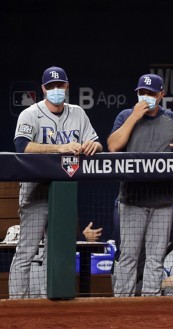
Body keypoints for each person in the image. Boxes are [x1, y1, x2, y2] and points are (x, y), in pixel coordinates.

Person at [10, 66, 102, 299]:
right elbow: (22, 147)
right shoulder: (30, 114)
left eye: (60, 85)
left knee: (58, 251)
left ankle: (53, 303)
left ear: (67, 86)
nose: (56, 90)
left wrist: (94, 146)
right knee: (27, 251)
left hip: (64, 193)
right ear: (43, 89)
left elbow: (97, 142)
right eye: (51, 86)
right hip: (36, 191)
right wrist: (58, 148)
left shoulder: (78, 113)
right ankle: (17, 304)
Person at [108, 73, 173, 297]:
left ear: (161, 95)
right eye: (142, 92)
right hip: (132, 199)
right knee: (129, 256)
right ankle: (122, 302)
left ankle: (150, 303)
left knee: (155, 257)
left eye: (151, 93)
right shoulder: (125, 116)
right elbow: (113, 146)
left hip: (162, 200)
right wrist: (134, 117)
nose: (146, 97)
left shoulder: (171, 119)